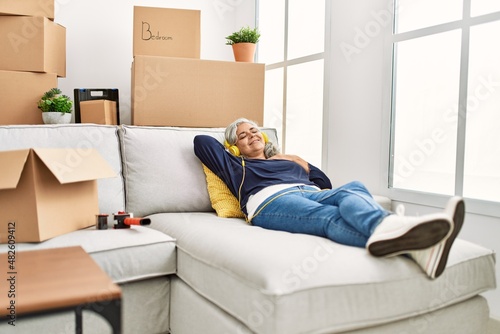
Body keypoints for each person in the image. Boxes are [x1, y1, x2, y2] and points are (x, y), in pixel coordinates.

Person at [193, 118, 465, 279]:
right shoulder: (237, 167)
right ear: (234, 146)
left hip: (312, 193)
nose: (251, 135)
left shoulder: (286, 160)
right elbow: (201, 141)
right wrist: (230, 150)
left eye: (254, 131)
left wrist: (302, 164)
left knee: (353, 188)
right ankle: (402, 231)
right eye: (243, 135)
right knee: (327, 218)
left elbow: (325, 184)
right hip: (271, 202)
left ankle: (411, 241)